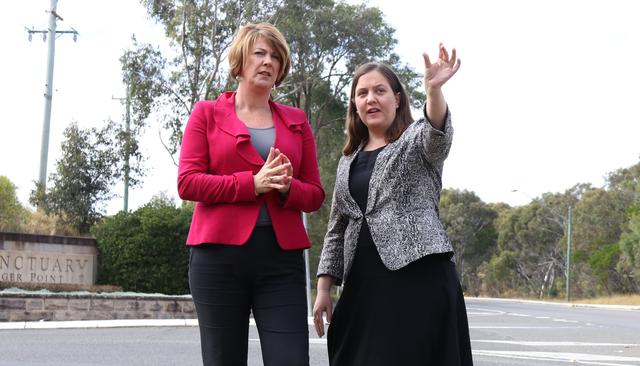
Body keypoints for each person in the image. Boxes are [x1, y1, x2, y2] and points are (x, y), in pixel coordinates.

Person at [313, 44, 472, 365]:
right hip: (363, 285)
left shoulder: (415, 141)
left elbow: (437, 134)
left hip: (419, 280)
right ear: (355, 105)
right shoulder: (348, 159)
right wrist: (324, 289)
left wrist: (434, 91)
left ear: (397, 98)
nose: (370, 98)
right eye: (362, 93)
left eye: (380, 91)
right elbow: (337, 227)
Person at [177, 22, 324, 366]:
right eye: (259, 53)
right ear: (241, 60)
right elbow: (188, 182)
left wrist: (287, 187)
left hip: (280, 262)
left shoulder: (297, 121)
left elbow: (315, 194)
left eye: (275, 56)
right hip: (217, 260)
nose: (268, 61)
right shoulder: (206, 114)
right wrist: (251, 184)